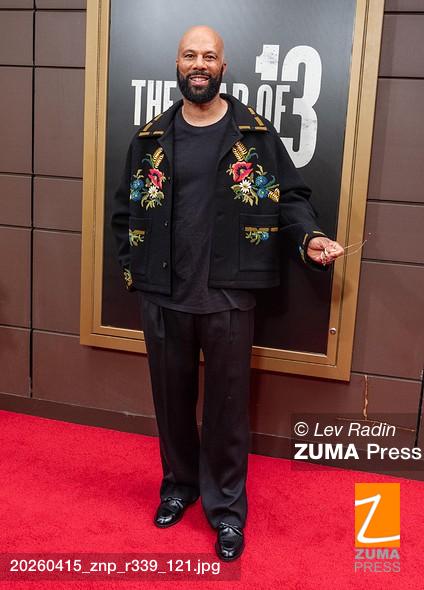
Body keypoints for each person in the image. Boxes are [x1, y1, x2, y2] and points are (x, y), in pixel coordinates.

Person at [110, 25, 344, 561]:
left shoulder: (254, 135)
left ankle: (227, 510)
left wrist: (308, 238)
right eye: (190, 55)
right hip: (163, 296)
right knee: (171, 404)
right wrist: (134, 274)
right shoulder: (148, 138)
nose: (199, 64)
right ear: (177, 64)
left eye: (208, 56)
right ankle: (179, 486)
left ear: (222, 66)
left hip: (230, 297)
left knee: (227, 410)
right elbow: (124, 213)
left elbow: (290, 199)